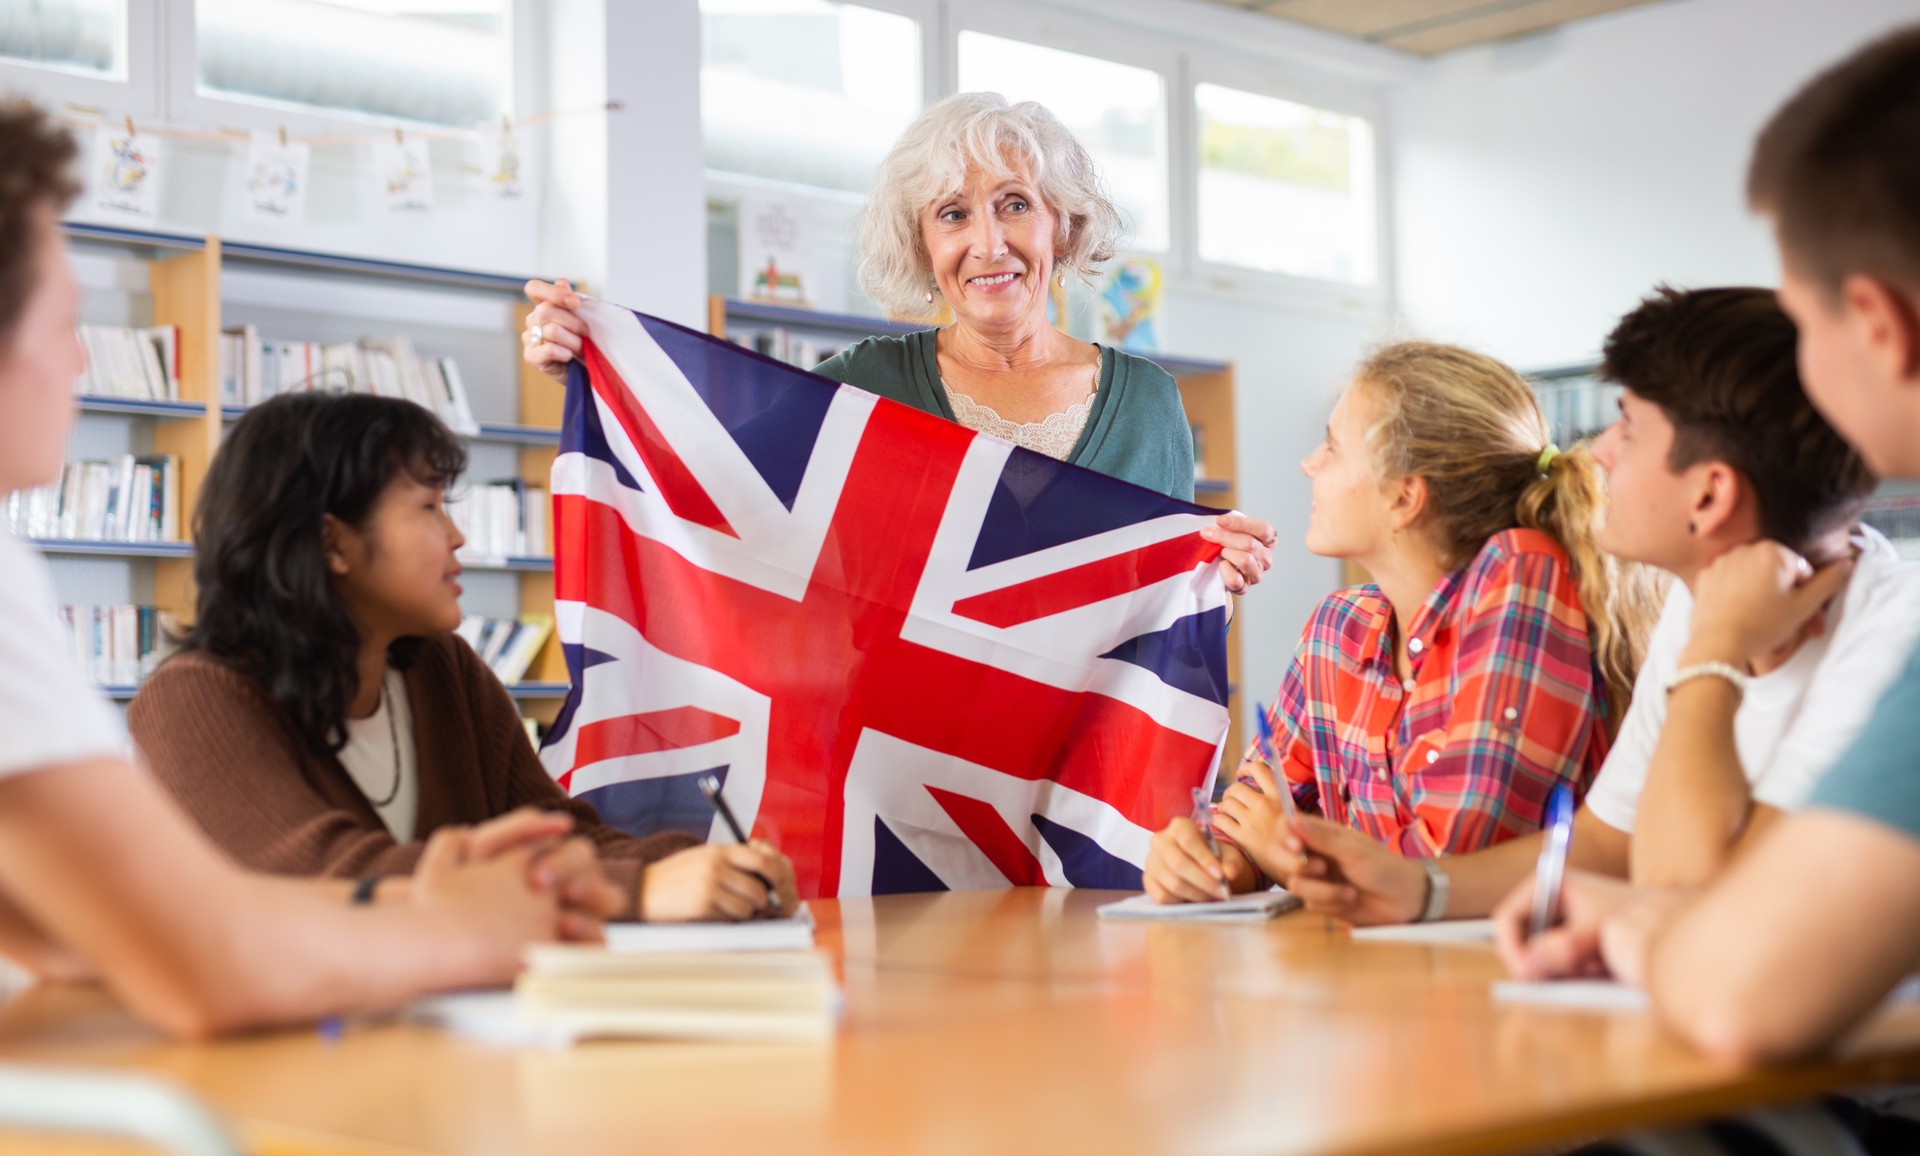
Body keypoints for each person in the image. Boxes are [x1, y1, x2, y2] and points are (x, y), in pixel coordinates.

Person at [0, 99, 592, 1040]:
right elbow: (199, 960)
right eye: (65, 320)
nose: (80, 359)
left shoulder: (445, 675)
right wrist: (461, 929)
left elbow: (75, 936)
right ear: (330, 541)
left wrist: (416, 911)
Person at [1497, 25, 1920, 1068]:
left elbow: (1738, 972)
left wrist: (1647, 923)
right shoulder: (1706, 601)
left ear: (1877, 324)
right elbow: (1621, 861)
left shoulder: (1890, 624)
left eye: (1806, 317)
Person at [1262, 287, 1909, 927]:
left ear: (1710, 497)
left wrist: (1714, 652)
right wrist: (1419, 888)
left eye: (1628, 429)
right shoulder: (1702, 596)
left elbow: (1685, 890)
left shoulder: (1890, 646)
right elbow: (1605, 844)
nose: (1598, 450)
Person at [521, 91, 1276, 595]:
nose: (988, 243)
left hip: (1086, 793)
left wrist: (1220, 570)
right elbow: (709, 492)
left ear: (1063, 224)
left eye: (1014, 204)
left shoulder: (1148, 404)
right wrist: (593, 371)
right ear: (920, 245)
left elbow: (1165, 607)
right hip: (901, 781)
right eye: (952, 214)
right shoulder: (861, 385)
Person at [130, 392, 798, 923]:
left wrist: (717, 871)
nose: (457, 535)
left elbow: (559, 838)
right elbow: (331, 879)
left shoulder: (442, 670)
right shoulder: (192, 699)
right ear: (331, 544)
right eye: (427, 507)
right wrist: (638, 890)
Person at [1144, 341, 1656, 904]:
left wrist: (1288, 849)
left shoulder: (1524, 581)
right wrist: (1211, 860)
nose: (1309, 463)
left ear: (1405, 497)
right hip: (1370, 975)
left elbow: (1449, 865)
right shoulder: (1336, 629)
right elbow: (1248, 821)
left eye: (1333, 448)